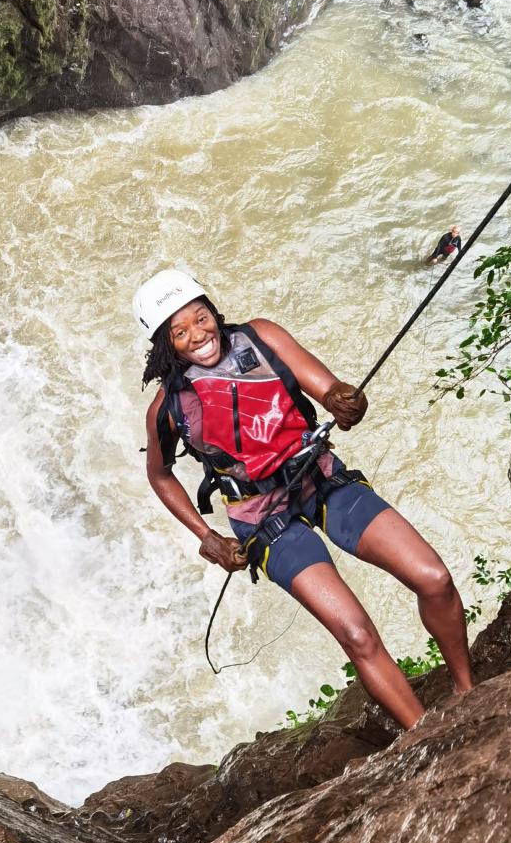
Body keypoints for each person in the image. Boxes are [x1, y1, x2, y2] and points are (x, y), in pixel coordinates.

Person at [134, 268, 473, 730]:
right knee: (356, 634)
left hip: (322, 480)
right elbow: (160, 475)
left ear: (213, 310)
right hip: (263, 518)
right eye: (179, 331)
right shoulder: (168, 408)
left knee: (433, 578)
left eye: (201, 317)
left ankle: (468, 695)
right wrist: (206, 535)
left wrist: (344, 401)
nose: (198, 334)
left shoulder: (260, 338)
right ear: (164, 344)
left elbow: (330, 389)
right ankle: (427, 735)